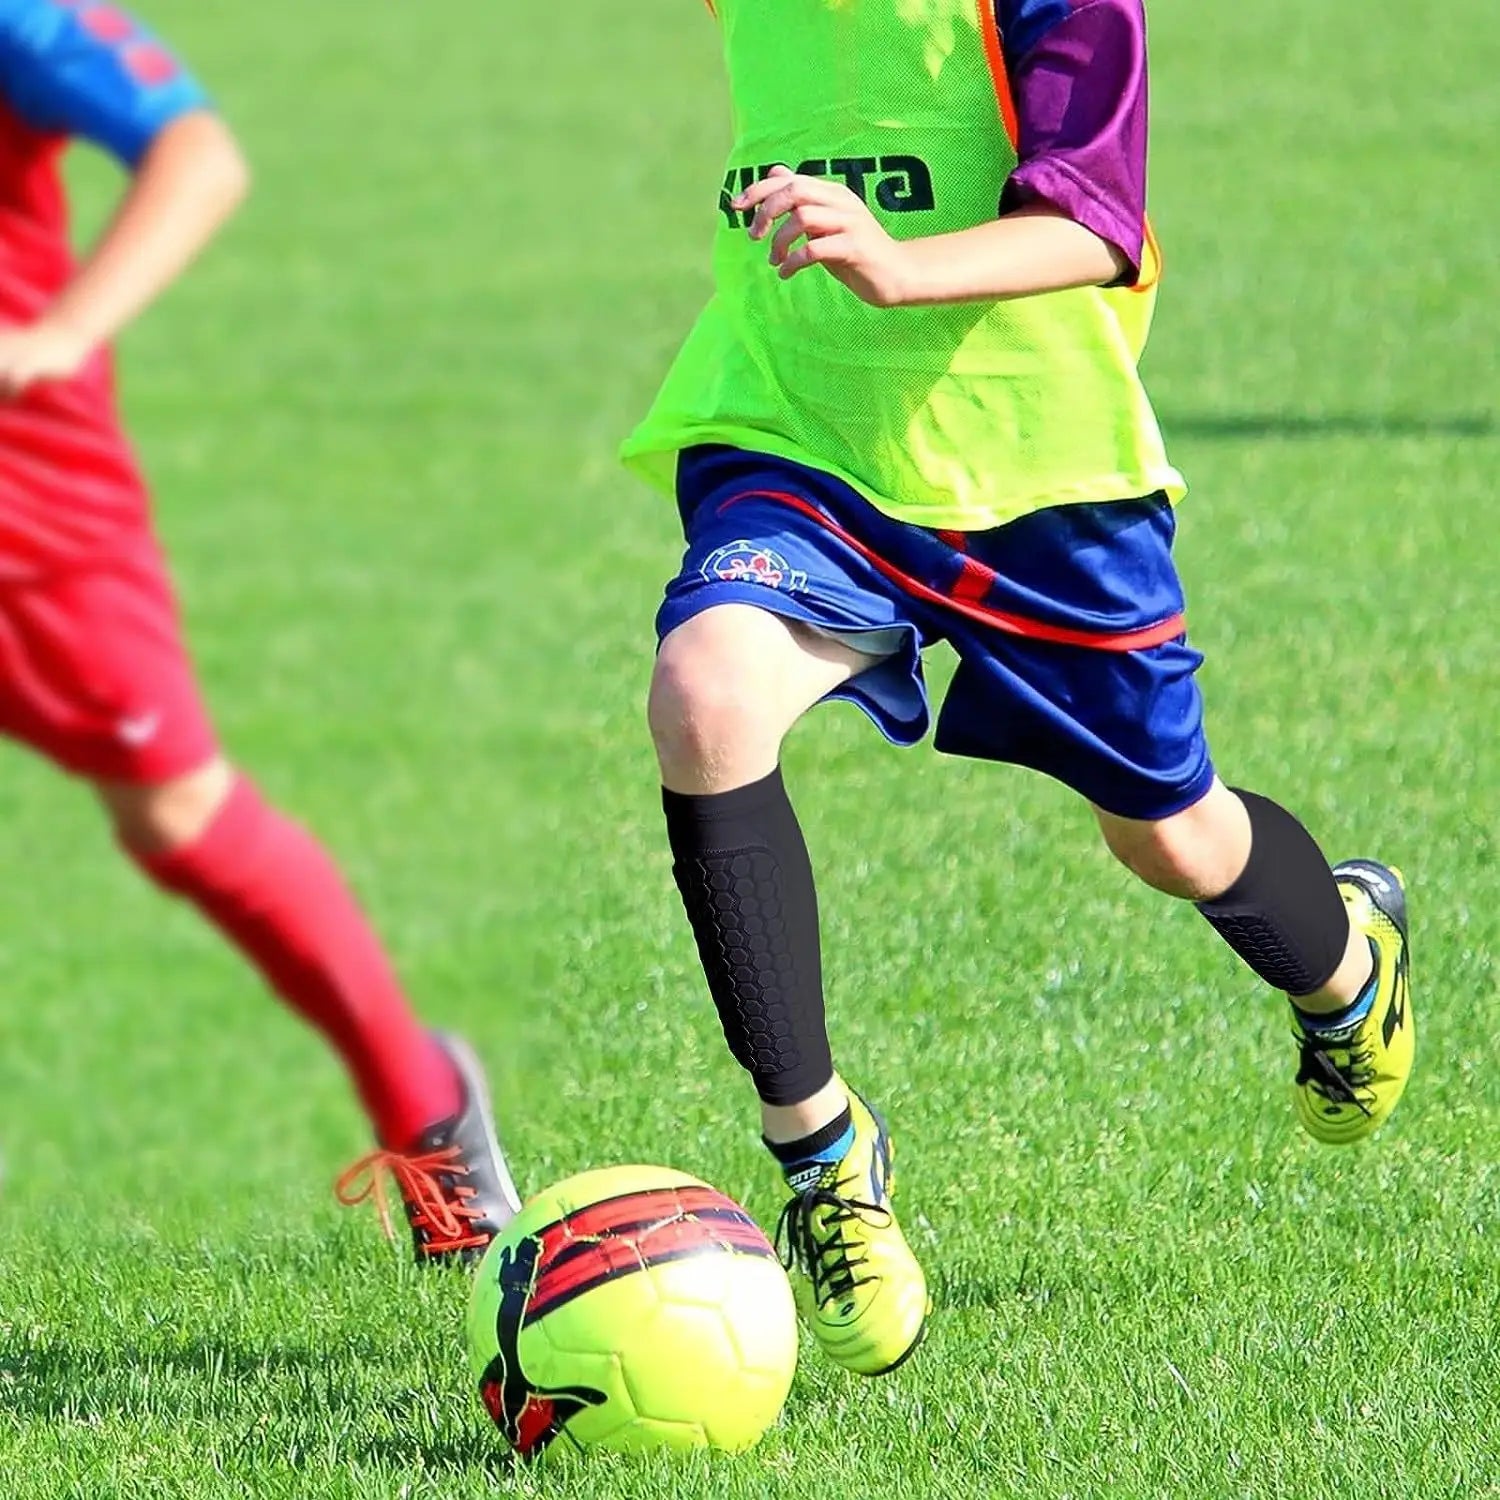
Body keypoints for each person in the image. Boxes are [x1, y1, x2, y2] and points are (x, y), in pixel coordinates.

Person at [622, 0, 1413, 1375]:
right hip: (798, 432)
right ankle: (820, 1158)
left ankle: (1348, 971)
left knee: (1171, 836)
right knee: (705, 697)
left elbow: (1095, 221)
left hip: (1039, 473)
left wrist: (896, 264)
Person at [0, 0, 518, 1262]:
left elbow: (197, 152)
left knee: (176, 813)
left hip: (30, 501)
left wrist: (60, 336)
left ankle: (423, 1103)